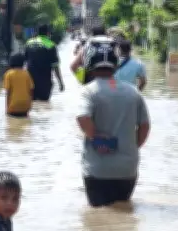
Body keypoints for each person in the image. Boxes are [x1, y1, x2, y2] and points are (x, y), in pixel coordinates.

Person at [76, 40, 151, 208]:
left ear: (91, 66)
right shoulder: (133, 92)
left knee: (97, 217)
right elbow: (145, 126)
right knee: (123, 212)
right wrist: (131, 147)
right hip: (127, 168)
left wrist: (95, 136)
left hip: (98, 169)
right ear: (115, 67)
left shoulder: (88, 91)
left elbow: (82, 117)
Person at [24, 24, 64, 101]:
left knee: (32, 104)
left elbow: (24, 62)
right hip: (45, 82)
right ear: (48, 33)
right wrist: (60, 83)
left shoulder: (29, 43)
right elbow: (55, 66)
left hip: (30, 81)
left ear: (37, 32)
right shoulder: (51, 45)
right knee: (44, 104)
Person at [3, 53, 34, 117]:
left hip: (13, 107)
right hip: (26, 107)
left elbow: (8, 92)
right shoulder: (26, 73)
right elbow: (31, 90)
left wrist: (7, 109)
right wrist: (30, 105)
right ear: (23, 63)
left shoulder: (8, 74)